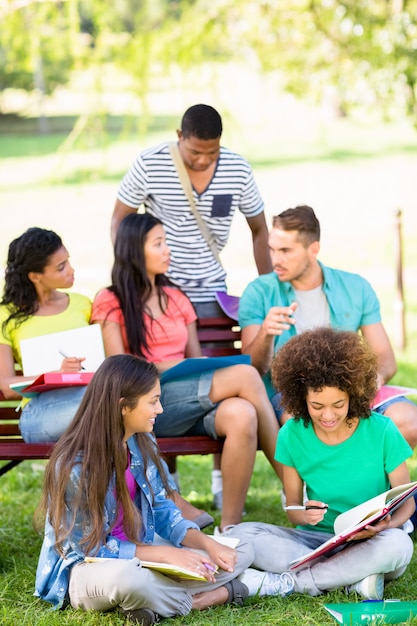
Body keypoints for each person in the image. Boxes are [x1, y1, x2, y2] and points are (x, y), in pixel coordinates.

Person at [91, 213, 282, 532]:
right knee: (247, 376)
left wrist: (194, 368)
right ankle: (296, 486)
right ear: (135, 250)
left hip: (190, 400)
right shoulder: (111, 300)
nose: (168, 250)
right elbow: (119, 370)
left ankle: (230, 528)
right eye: (159, 243)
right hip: (146, 407)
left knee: (242, 413)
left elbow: (195, 360)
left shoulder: (177, 298)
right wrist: (167, 367)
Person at [34, 354, 254, 625]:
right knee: (130, 580)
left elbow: (162, 509)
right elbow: (88, 547)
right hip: (89, 569)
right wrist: (166, 554)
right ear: (123, 406)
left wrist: (207, 543)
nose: (160, 409)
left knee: (241, 550)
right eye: (153, 401)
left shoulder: (140, 441)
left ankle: (151, 604)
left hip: (142, 549)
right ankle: (208, 598)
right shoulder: (73, 466)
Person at [228, 327, 415, 600]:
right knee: (241, 533)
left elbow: (407, 502)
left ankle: (289, 583)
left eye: (338, 404)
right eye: (317, 406)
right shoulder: (291, 434)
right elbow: (293, 509)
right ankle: (349, 579)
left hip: (372, 541)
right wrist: (305, 514)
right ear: (301, 398)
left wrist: (386, 525)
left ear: (354, 393)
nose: (328, 415)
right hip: (316, 543)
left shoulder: (383, 430)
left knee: (398, 545)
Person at [238, 205, 417, 447]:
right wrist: (265, 334)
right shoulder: (259, 292)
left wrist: (371, 383)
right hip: (294, 396)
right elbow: (251, 369)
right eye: (272, 249)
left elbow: (386, 359)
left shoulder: (355, 287)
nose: (275, 260)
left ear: (313, 249)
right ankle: (323, 484)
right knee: (302, 422)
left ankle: (369, 483)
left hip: (351, 390)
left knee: (409, 421)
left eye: (285, 251)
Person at [111, 103, 272, 319]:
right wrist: (137, 279)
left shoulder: (238, 170)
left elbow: (260, 230)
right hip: (159, 290)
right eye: (195, 152)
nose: (203, 160)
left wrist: (270, 290)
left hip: (211, 291)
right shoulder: (150, 163)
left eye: (212, 152)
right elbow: (120, 222)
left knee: (212, 351)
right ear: (180, 136)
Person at [0, 227, 91, 442]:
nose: (71, 270)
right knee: (104, 411)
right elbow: (7, 385)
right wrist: (55, 375)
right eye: (61, 267)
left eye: (68, 261)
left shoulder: (83, 304)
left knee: (106, 413)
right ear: (35, 276)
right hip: (40, 413)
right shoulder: (6, 315)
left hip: (88, 404)